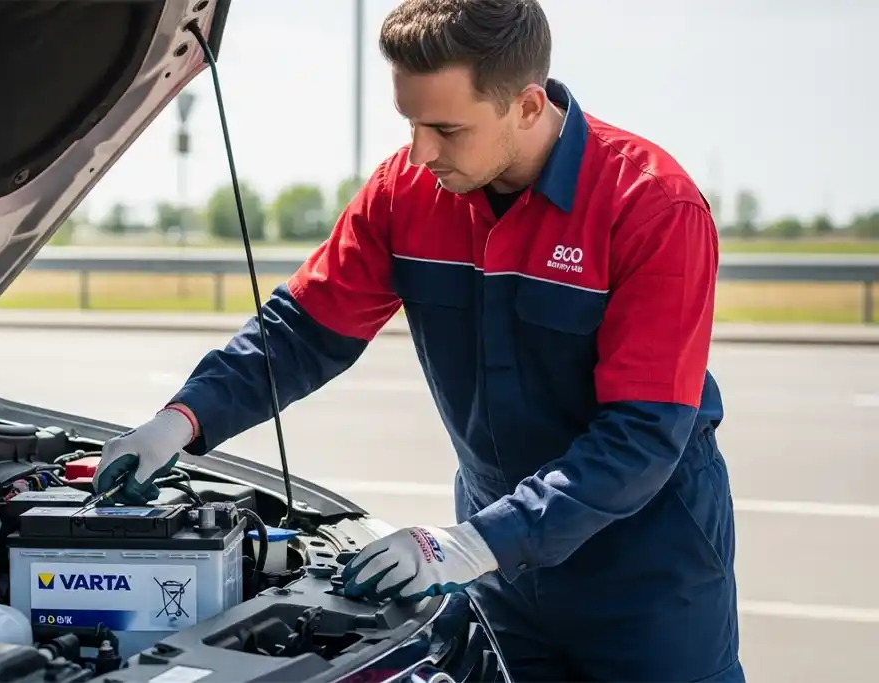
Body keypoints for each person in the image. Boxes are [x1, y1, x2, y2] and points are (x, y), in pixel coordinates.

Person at [92, 0, 744, 680]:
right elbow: (303, 331)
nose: (420, 152)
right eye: (410, 123)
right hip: (497, 567)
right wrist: (182, 418)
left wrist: (472, 544)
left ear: (525, 106)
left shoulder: (651, 206)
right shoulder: (406, 191)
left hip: (645, 572)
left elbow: (641, 435)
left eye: (445, 128)